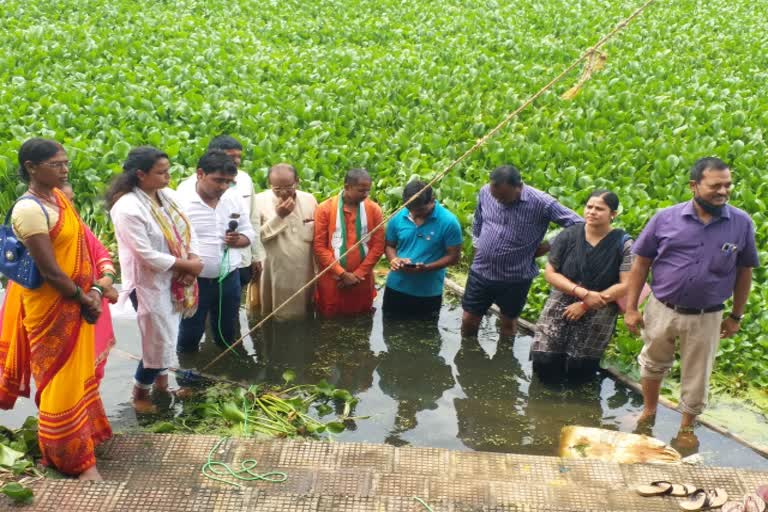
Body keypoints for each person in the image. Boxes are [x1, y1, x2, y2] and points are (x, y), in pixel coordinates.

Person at [0, 138, 111, 480]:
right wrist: (85, 298)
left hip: (77, 301)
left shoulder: (60, 198)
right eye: (56, 164)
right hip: (51, 309)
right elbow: (50, 271)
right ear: (32, 167)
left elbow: (83, 246)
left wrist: (96, 289)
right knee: (57, 379)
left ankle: (85, 437)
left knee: (77, 376)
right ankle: (69, 456)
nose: (64, 169)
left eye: (65, 163)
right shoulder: (29, 209)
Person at [624, 157, 759, 437]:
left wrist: (736, 315)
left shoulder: (741, 223)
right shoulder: (665, 218)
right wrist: (631, 308)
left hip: (707, 315)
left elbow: (744, 272)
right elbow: (641, 264)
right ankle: (649, 410)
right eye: (715, 186)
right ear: (694, 186)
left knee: (698, 374)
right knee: (652, 362)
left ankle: (686, 427)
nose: (723, 191)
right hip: (662, 307)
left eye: (728, 185)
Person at [108, 146, 203, 413]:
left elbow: (188, 228)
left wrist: (192, 259)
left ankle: (162, 386)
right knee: (157, 342)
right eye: (161, 173)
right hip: (148, 284)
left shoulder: (168, 196)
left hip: (176, 279)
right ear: (141, 174)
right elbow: (145, 255)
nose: (168, 177)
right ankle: (140, 393)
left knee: (169, 337)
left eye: (168, 171)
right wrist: (188, 265)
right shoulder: (127, 208)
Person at [462, 164, 582, 337]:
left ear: (519, 187)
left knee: (508, 323)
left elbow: (578, 224)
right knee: (468, 319)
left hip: (515, 277)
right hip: (481, 271)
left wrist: (549, 245)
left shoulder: (542, 202)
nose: (499, 201)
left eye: (504, 197)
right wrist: (476, 244)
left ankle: (504, 360)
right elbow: (478, 219)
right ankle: (467, 356)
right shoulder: (485, 192)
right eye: (496, 197)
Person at [530, 190, 633, 377]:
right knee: (545, 361)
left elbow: (626, 284)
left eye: (599, 209)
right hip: (560, 305)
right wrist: (582, 293)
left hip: (599, 310)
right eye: (589, 207)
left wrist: (586, 304)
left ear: (613, 214)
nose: (592, 212)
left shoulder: (624, 244)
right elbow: (551, 274)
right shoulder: (568, 235)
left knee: (580, 368)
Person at [176, 150, 256, 353]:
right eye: (218, 180)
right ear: (200, 174)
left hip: (228, 278)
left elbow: (249, 233)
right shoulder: (181, 202)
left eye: (228, 181)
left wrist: (239, 240)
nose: (223, 187)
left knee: (228, 332)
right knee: (190, 333)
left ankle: (227, 373)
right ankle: (188, 377)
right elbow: (172, 244)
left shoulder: (233, 198)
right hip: (194, 281)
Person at [60, 182, 119, 384]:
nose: (70, 206)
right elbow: (56, 275)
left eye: (72, 200)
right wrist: (100, 288)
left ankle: (87, 409)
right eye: (62, 202)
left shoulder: (79, 226)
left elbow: (103, 256)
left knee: (92, 369)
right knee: (64, 371)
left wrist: (102, 285)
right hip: (63, 308)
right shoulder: (44, 234)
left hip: (92, 301)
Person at [383, 180, 462, 319]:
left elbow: (454, 256)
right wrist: (394, 259)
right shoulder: (397, 217)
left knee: (426, 334)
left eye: (420, 210)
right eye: (410, 209)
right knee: (390, 333)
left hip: (428, 293)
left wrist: (426, 267)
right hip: (395, 288)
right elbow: (390, 245)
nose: (414, 214)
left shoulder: (449, 222)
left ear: (432, 200)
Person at [313, 168, 385, 316]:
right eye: (361, 191)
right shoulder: (324, 209)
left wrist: (357, 275)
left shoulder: (374, 209)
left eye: (368, 191)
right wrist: (342, 274)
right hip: (332, 280)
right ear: (347, 187)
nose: (365, 195)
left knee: (361, 321)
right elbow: (319, 247)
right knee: (329, 324)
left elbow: (378, 247)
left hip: (362, 280)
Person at [251, 163, 318, 320]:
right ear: (270, 184)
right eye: (277, 189)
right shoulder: (258, 201)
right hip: (273, 270)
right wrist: (279, 216)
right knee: (272, 316)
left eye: (289, 187)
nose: (283, 193)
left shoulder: (309, 199)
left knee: (303, 315)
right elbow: (253, 238)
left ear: (297, 181)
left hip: (303, 270)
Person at [207, 135, 265, 287]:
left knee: (232, 304)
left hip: (242, 258)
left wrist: (256, 255)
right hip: (211, 262)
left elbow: (253, 218)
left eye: (239, 156)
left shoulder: (245, 179)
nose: (237, 161)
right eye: (231, 156)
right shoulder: (193, 185)